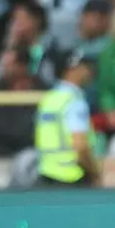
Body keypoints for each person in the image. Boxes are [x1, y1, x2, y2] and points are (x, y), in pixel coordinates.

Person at [34, 51, 103, 187]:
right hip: (72, 179)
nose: (89, 71)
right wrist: (94, 173)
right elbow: (80, 146)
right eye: (85, 66)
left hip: (46, 175)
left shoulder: (50, 99)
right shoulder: (74, 101)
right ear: (72, 69)